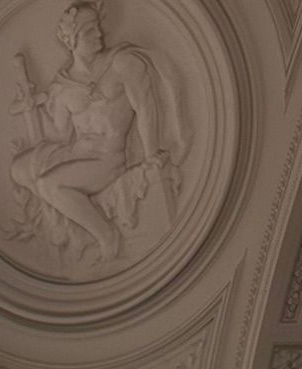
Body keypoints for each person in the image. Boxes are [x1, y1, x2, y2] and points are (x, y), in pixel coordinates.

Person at [11, 2, 179, 263]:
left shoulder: (122, 64)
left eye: (98, 27)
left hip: (107, 158)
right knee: (19, 169)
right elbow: (59, 136)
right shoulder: (62, 87)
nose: (100, 34)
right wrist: (32, 107)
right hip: (75, 153)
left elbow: (145, 107)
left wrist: (150, 154)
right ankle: (76, 221)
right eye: (90, 31)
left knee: (49, 185)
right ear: (72, 39)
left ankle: (106, 235)